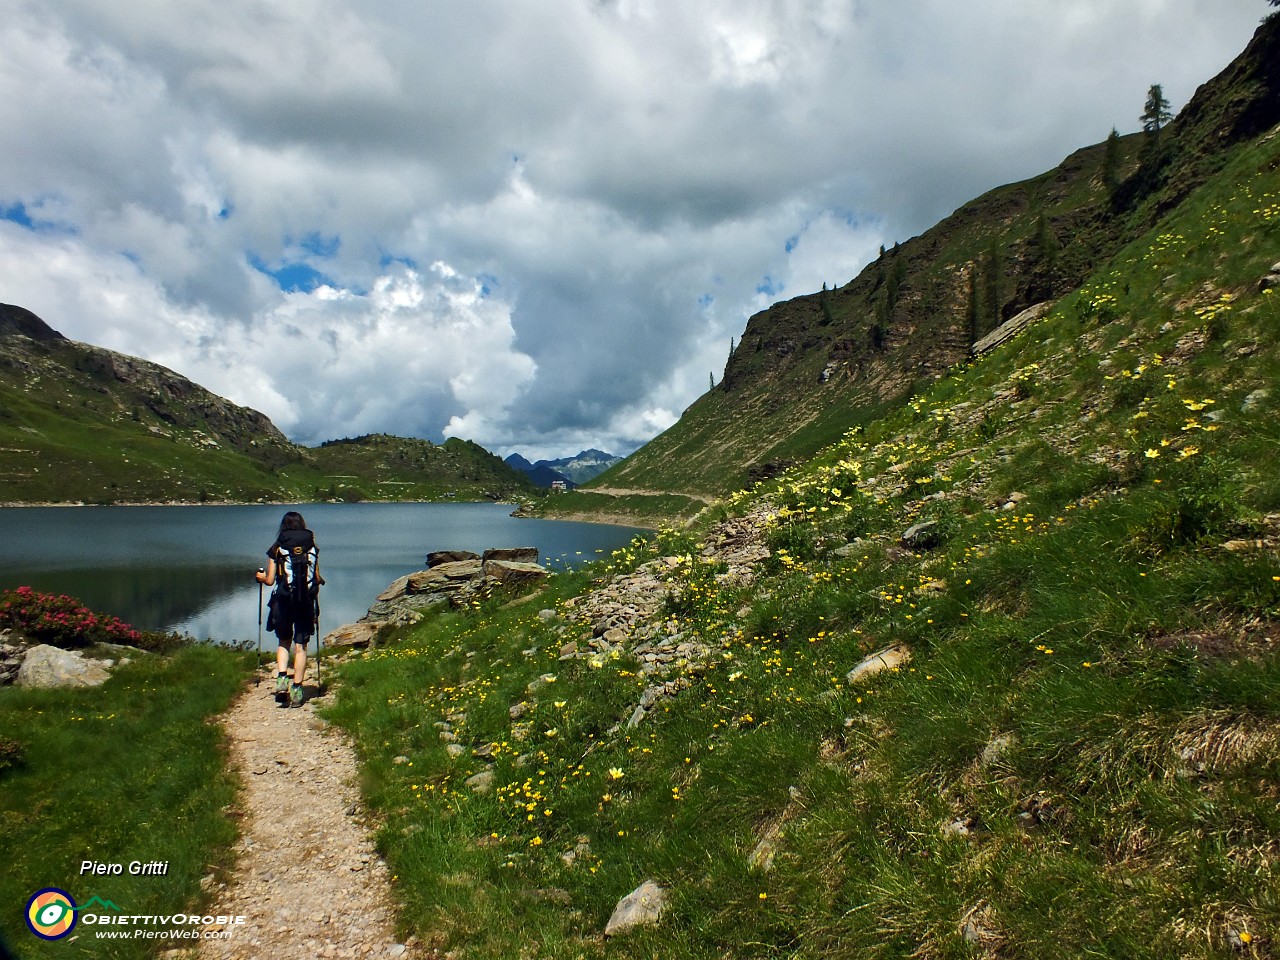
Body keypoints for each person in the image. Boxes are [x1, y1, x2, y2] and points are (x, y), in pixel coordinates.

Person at [255, 511, 321, 707]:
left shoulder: (277, 548)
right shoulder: (312, 547)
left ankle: (282, 679)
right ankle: (298, 690)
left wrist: (260, 577)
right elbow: (316, 578)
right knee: (301, 647)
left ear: (283, 527)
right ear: (302, 525)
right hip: (306, 603)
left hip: (284, 601)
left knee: (284, 640)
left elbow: (270, 580)